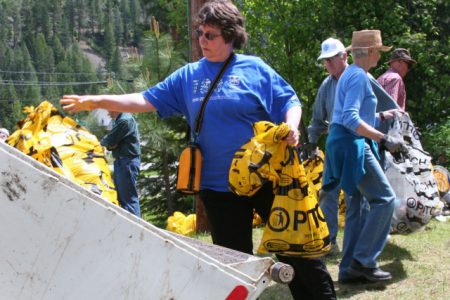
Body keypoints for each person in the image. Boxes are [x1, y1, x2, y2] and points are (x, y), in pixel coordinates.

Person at [61, 1, 336, 298]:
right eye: (200, 33)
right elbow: (145, 99)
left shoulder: (254, 69)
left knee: (298, 255)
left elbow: (289, 101)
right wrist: (99, 100)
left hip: (267, 180)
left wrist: (291, 127)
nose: (201, 40)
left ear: (230, 36)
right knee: (235, 271)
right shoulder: (189, 76)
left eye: (210, 35)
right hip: (218, 189)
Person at [322, 29, 408, 283]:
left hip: (341, 141)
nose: (379, 57)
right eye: (379, 52)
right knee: (385, 199)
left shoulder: (349, 74)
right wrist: (383, 138)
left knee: (357, 206)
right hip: (352, 143)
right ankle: (364, 261)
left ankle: (348, 269)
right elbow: (350, 118)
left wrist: (381, 117)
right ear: (370, 52)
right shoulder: (359, 76)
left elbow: (351, 114)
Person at [307, 38, 398, 257]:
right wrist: (310, 142)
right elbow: (318, 118)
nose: (328, 64)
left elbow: (380, 113)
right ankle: (329, 242)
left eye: (331, 59)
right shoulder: (327, 85)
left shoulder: (362, 77)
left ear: (344, 56)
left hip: (358, 144)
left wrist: (386, 123)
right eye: (325, 61)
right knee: (328, 192)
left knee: (355, 197)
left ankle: (360, 246)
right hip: (337, 145)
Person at [101, 111, 141, 217]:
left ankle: (134, 229)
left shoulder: (124, 121)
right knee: (122, 198)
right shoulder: (120, 120)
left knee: (128, 200)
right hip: (122, 162)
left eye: (109, 109)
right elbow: (111, 144)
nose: (108, 113)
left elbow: (109, 141)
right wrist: (111, 144)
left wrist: (110, 144)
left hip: (127, 162)